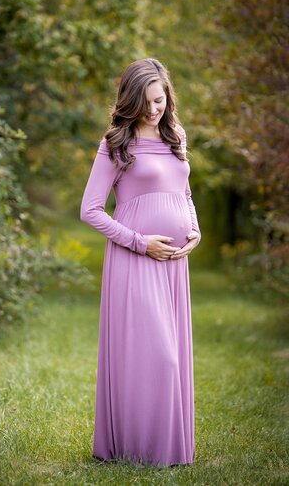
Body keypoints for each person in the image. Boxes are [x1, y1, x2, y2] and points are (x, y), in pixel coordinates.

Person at [80, 58, 201, 469]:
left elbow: (183, 191)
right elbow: (90, 210)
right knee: (156, 356)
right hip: (135, 258)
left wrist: (195, 229)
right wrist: (139, 242)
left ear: (168, 96)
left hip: (173, 263)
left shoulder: (176, 135)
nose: (154, 109)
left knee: (167, 356)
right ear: (131, 100)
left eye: (160, 99)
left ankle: (162, 449)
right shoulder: (117, 143)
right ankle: (136, 447)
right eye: (147, 101)